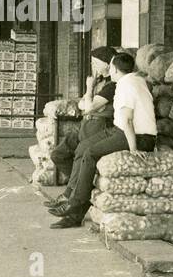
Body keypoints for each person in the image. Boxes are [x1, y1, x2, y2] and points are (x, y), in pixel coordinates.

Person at [49, 51, 156, 229]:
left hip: (136, 136)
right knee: (84, 147)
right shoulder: (136, 80)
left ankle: (74, 206)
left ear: (113, 68)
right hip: (120, 129)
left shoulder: (125, 86)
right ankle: (73, 202)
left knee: (91, 154)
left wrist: (133, 149)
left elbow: (128, 120)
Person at [47, 45, 117, 188]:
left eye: (96, 63)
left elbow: (89, 107)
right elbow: (82, 105)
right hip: (85, 125)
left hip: (99, 126)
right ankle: (83, 185)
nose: (94, 66)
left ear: (107, 64)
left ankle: (78, 189)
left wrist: (89, 89)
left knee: (82, 155)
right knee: (58, 154)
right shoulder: (100, 82)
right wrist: (89, 97)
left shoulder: (112, 86)